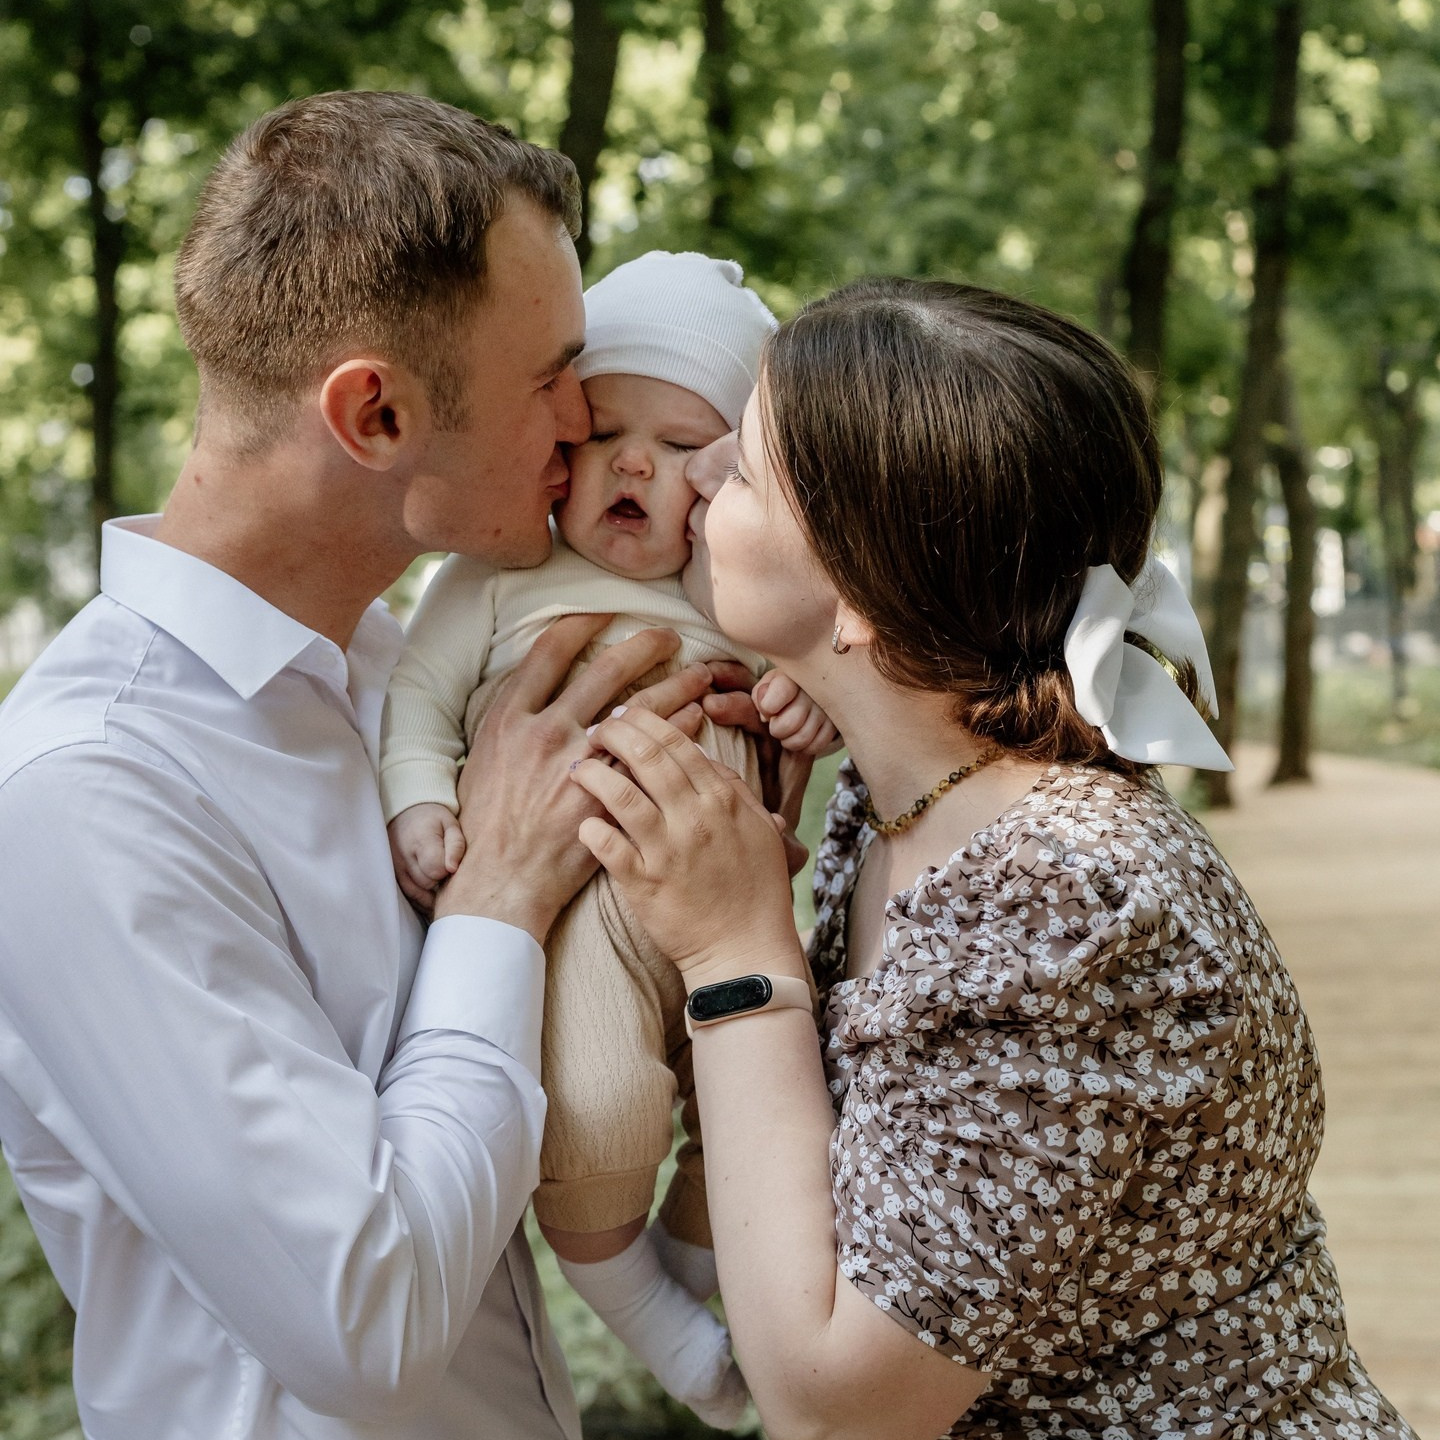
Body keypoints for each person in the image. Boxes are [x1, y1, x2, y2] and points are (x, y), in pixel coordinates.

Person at [570, 279, 1421, 1440]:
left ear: (862, 597)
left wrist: (733, 949)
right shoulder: (911, 807)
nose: (704, 471)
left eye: (750, 467)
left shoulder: (1066, 902)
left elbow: (834, 1406)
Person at [0, 91, 720, 1440]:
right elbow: (367, 1321)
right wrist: (497, 895)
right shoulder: (86, 793)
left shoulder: (408, 681)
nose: (586, 418)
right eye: (550, 375)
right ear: (376, 415)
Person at [380, 248, 834, 1427]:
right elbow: (416, 701)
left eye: (687, 447)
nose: (637, 461)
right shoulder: (496, 578)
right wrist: (422, 799)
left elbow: (811, 679)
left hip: (732, 913)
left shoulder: (731, 592)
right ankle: (649, 1317)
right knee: (593, 1111)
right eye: (606, 430)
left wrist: (803, 705)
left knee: (775, 1087)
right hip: (581, 914)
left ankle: (698, 1256)